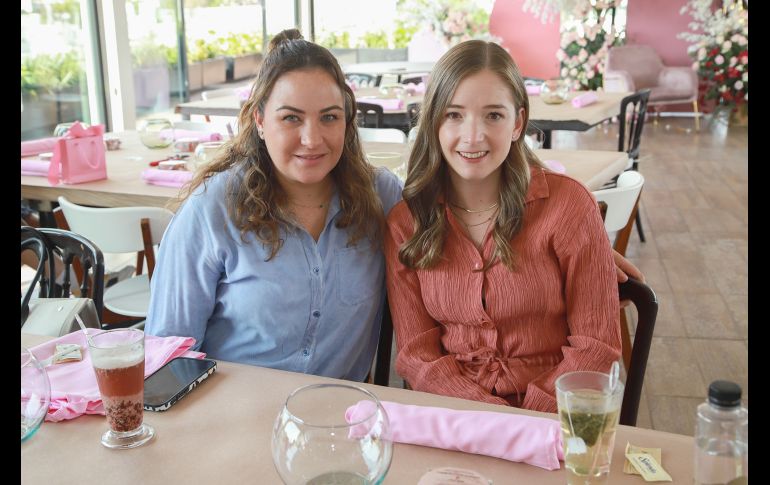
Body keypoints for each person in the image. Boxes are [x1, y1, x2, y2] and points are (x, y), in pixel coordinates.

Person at [144, 29, 403, 381]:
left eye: (329, 117)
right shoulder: (211, 210)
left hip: (336, 422)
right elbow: (168, 356)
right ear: (261, 122)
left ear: (347, 120)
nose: (312, 139)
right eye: (291, 118)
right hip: (232, 419)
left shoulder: (381, 197)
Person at [383, 40, 622, 413]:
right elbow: (418, 356)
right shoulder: (405, 223)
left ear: (518, 124)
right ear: (433, 123)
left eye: (493, 115)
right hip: (455, 417)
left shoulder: (569, 207)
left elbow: (597, 347)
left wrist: (527, 420)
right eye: (454, 115)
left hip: (554, 417)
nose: (473, 135)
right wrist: (488, 418)